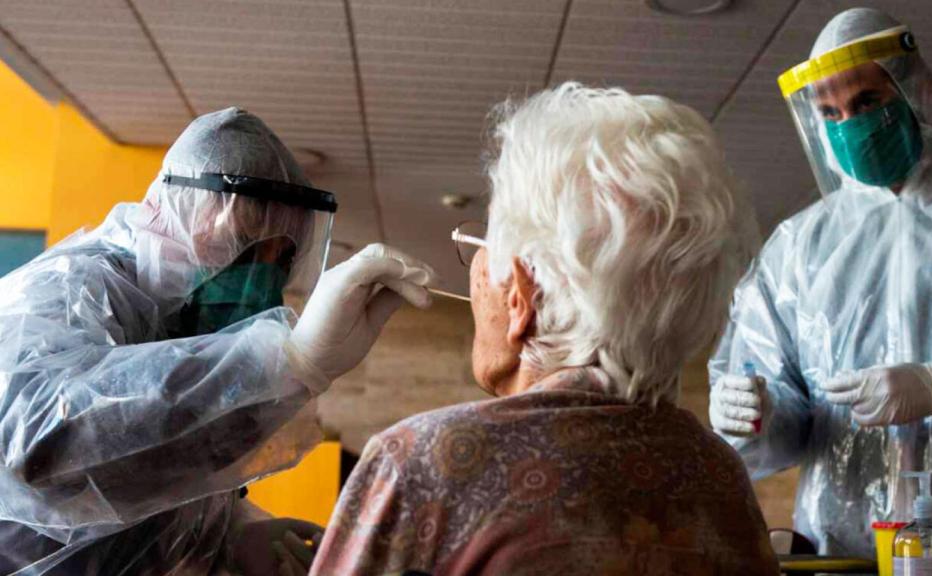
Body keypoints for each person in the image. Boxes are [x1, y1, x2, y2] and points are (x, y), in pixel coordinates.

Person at [309, 82, 776, 576]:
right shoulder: (718, 475)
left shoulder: (426, 462)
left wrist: (296, 370)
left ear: (522, 296)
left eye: (482, 245)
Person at [0, 108, 434, 575]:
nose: (259, 277)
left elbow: (159, 469)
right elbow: (33, 442)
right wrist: (286, 363)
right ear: (163, 216)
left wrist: (232, 530)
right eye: (241, 243)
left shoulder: (185, 332)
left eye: (280, 257)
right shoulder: (69, 291)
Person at [709, 7, 932, 556]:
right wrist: (750, 415)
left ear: (912, 90)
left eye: (865, 103)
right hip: (840, 549)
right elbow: (788, 420)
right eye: (829, 112)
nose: (848, 124)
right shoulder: (800, 246)